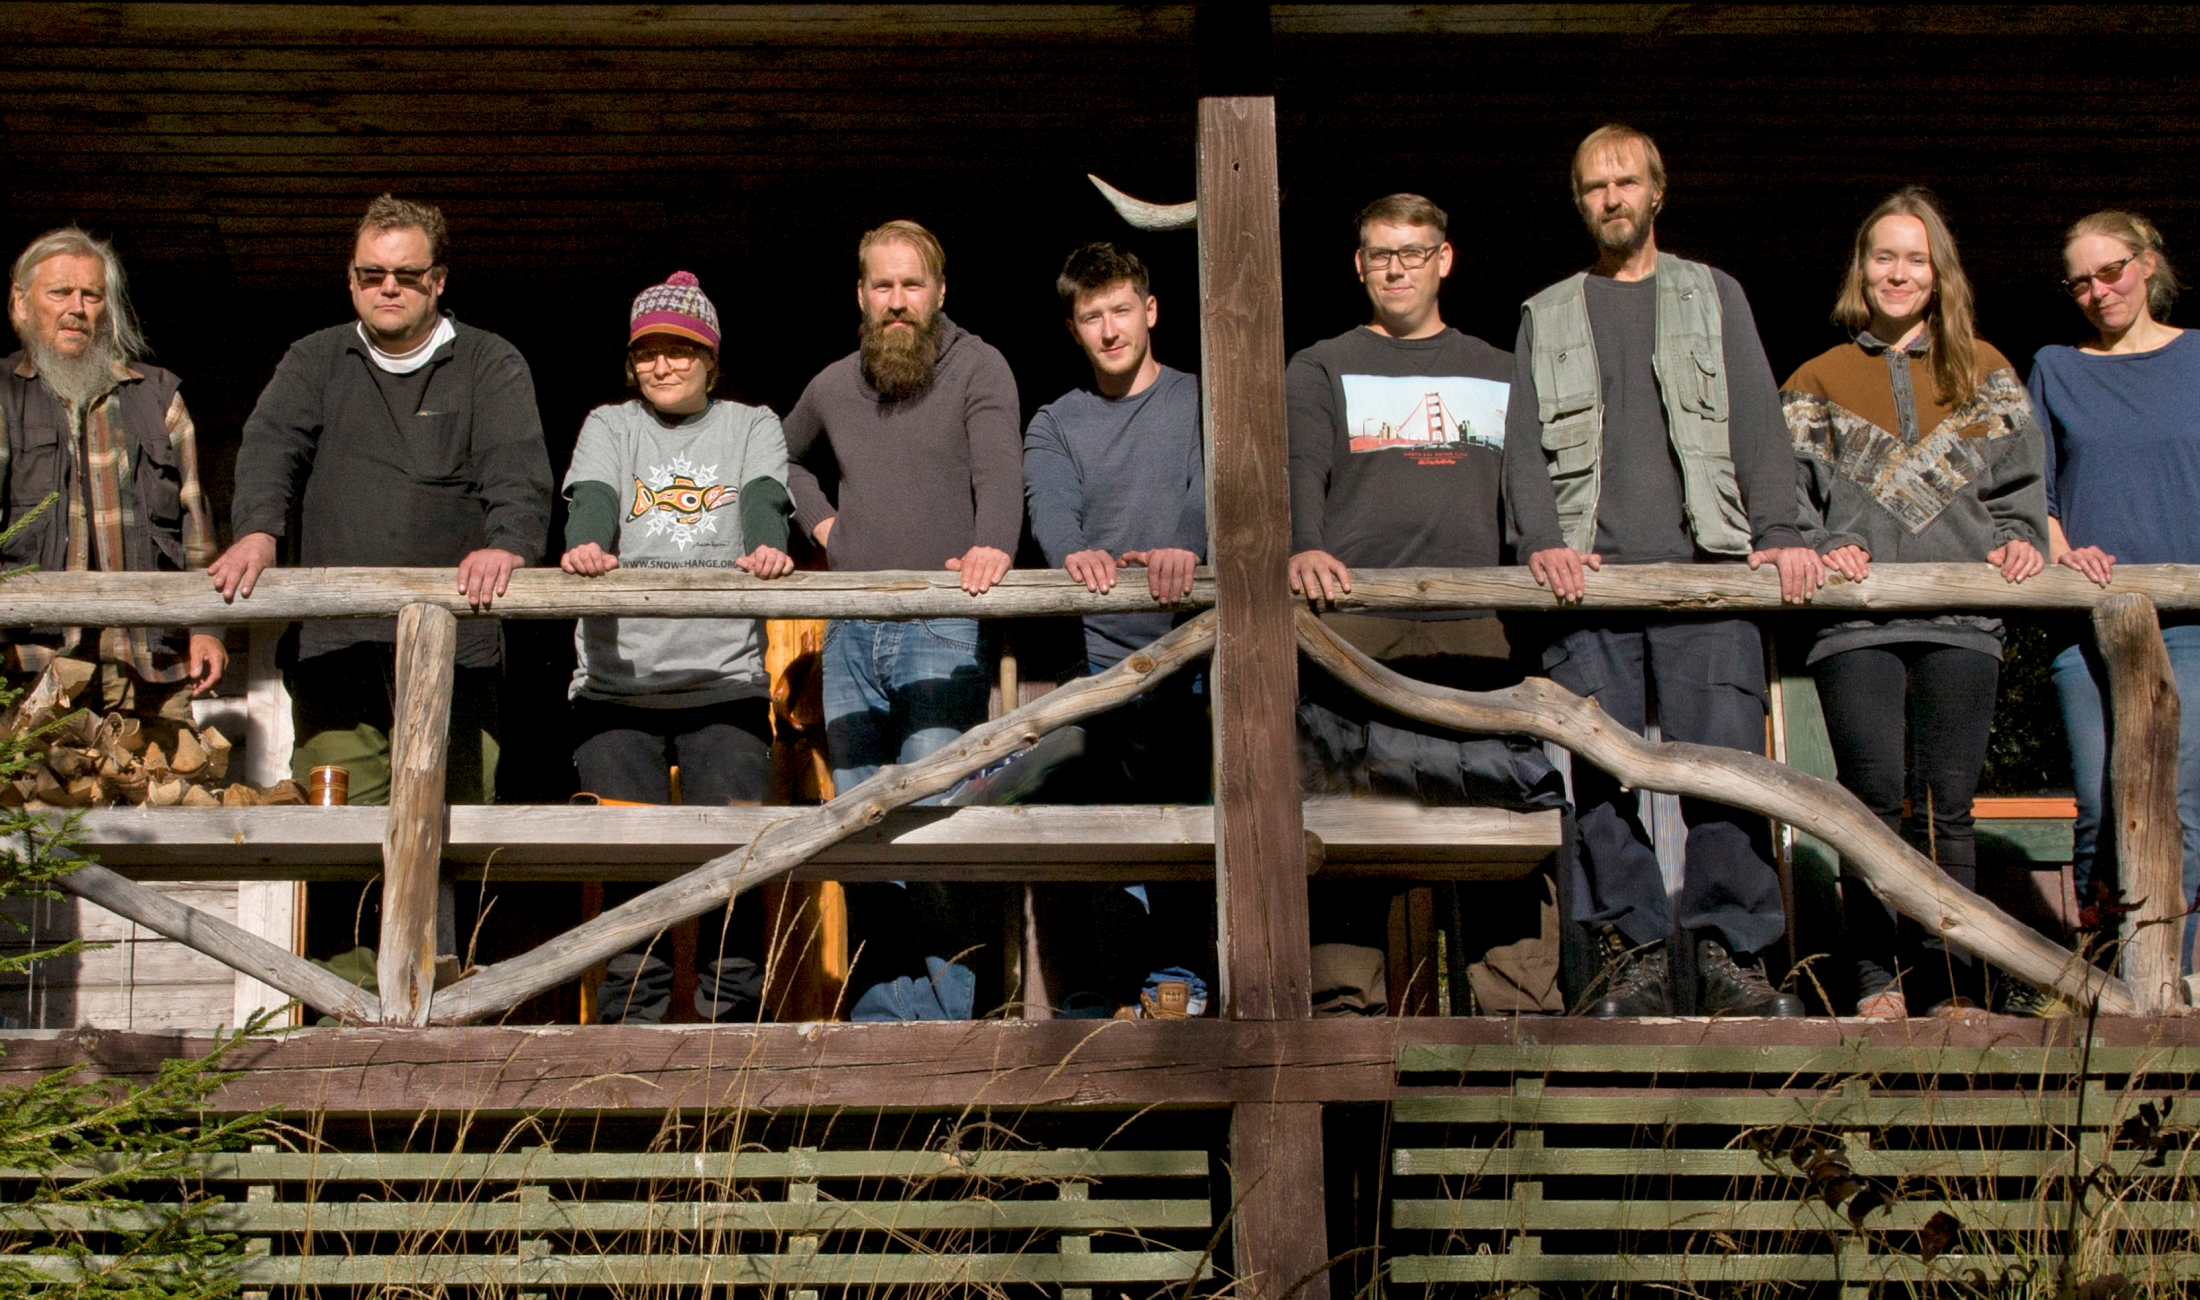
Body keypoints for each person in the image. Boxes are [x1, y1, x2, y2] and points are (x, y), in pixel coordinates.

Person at [1502, 125, 1822, 1017]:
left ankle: (1730, 956)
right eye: (1594, 186)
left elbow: (1756, 420)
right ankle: (1631, 956)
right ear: (1580, 202)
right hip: (1588, 580)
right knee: (1597, 778)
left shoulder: (1714, 294)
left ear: (1657, 191)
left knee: (1723, 769)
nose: (1612, 197)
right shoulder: (1547, 312)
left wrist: (1779, 529)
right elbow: (1522, 450)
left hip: (1707, 572)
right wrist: (1539, 541)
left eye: (1626, 181)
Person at [1286, 194, 1566, 1018]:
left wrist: (1544, 544)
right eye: (1381, 254)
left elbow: (1528, 483)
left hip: (1479, 634)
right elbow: (1301, 469)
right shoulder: (1322, 366)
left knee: (1499, 817)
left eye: (1413, 252)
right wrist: (1303, 543)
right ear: (1359, 266)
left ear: (1444, 259)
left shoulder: (1498, 368)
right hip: (1353, 630)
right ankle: (1344, 1024)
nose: (1397, 268)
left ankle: (1518, 1025)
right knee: (1346, 825)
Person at [1782, 189, 2049, 1018]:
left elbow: (2021, 489)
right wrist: (1823, 544)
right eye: (1884, 257)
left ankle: (1951, 982)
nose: (1898, 273)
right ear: (1862, 270)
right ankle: (1875, 980)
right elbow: (1787, 503)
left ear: (1939, 275)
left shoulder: (1986, 371)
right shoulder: (1815, 380)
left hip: (1962, 618)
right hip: (1855, 623)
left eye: (1915, 259)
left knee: (1947, 810)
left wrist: (2022, 539)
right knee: (1867, 801)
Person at [210, 194, 553, 806]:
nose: (388, 287)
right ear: (352, 281)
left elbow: (518, 474)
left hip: (457, 644)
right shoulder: (315, 358)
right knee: (338, 828)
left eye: (407, 275)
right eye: (372, 274)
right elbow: (270, 446)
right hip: (335, 645)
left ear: (438, 281)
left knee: (456, 821)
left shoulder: (489, 362)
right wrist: (258, 531)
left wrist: (508, 545)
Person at [783, 219, 1022, 1020]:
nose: (896, 301)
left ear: (939, 292)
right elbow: (777, 457)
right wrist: (823, 525)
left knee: (930, 829)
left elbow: (1000, 473)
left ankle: (945, 1027)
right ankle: (881, 1024)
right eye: (881, 286)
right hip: (850, 628)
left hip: (941, 625)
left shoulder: (978, 366)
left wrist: (993, 544)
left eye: (911, 285)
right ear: (860, 294)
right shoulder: (833, 384)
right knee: (862, 834)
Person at [559, 270, 796, 1023]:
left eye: (681, 350)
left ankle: (731, 1028)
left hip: (722, 679)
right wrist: (587, 543)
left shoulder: (751, 423)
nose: (662, 365)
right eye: (647, 352)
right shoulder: (610, 424)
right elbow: (594, 496)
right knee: (632, 864)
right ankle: (633, 1030)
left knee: (734, 859)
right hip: (618, 685)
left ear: (711, 360)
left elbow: (763, 496)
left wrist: (767, 545)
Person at [1022, 241, 1210, 1018]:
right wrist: (1076, 552)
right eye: (1091, 316)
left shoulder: (1202, 398)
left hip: (1192, 652)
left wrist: (1186, 547)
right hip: (1093, 654)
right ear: (1073, 328)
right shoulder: (1056, 421)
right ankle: (1100, 992)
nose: (1109, 329)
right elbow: (1051, 509)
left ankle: (1178, 984)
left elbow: (1218, 487)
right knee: (1096, 829)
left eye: (1121, 310)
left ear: (1151, 310)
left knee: (1186, 820)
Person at [2030, 209, 2200, 980]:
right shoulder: (2057, 368)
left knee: (2182, 804)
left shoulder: (2197, 358)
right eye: (2080, 283)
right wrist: (2061, 550)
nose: (2099, 292)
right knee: (2100, 804)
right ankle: (2106, 988)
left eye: (2111, 271)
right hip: (2087, 619)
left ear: (2148, 263)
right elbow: (2034, 494)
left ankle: (2176, 987)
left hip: (2192, 619)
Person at [3, 227, 224, 727]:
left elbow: (197, 531)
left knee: (167, 776)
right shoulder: (3, 397)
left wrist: (207, 627)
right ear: (21, 304)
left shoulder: (158, 398)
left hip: (149, 661)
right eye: (60, 293)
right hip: (32, 662)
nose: (77, 309)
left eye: (92, 295)